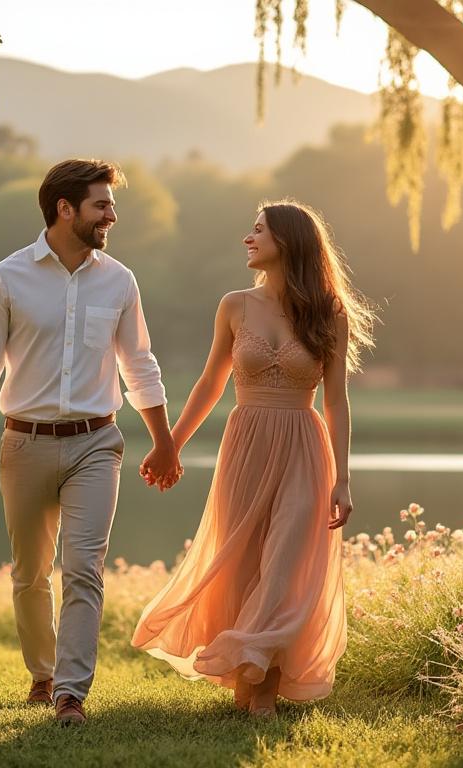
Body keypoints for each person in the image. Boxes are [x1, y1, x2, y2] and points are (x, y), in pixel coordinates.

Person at [0, 159, 182, 726]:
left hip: (96, 444)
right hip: (23, 444)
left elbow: (141, 366)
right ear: (65, 208)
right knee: (30, 573)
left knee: (84, 568)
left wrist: (165, 441)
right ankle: (43, 673)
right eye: (102, 204)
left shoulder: (120, 280)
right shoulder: (6, 278)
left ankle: (70, 695)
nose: (112, 214)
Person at [131, 199, 376, 718]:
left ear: (286, 241)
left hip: (304, 447)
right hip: (245, 444)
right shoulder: (235, 304)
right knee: (241, 560)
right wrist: (169, 443)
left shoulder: (328, 312)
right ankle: (248, 674)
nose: (248, 237)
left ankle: (264, 685)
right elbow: (210, 383)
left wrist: (345, 479)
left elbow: (336, 400)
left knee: (285, 563)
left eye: (258, 230)